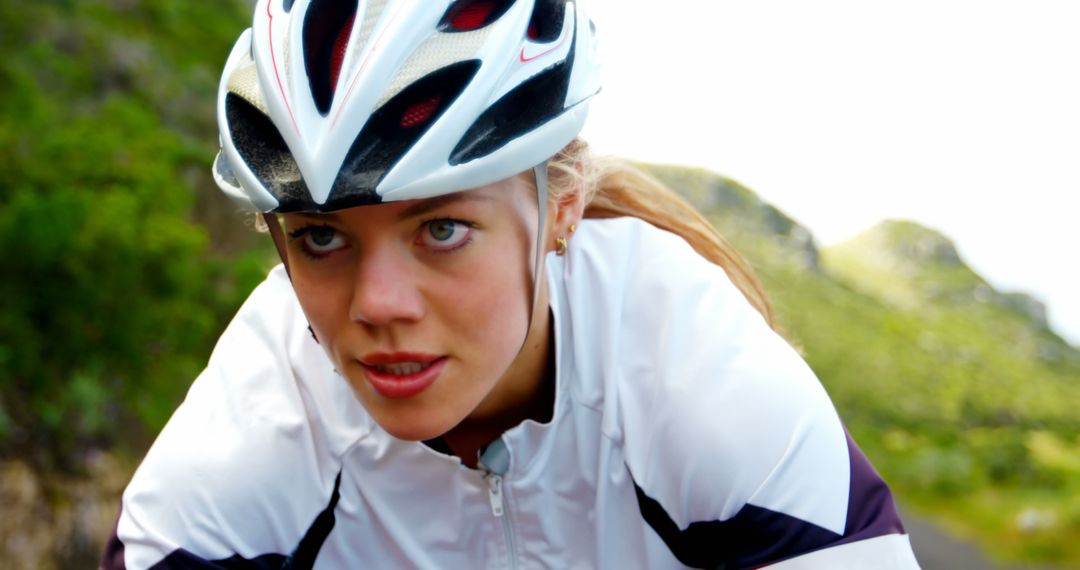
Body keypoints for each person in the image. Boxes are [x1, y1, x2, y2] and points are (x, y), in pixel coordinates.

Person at [102, 1, 921, 568]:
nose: (377, 304)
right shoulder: (257, 426)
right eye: (322, 238)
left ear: (560, 207)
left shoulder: (696, 374)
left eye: (442, 229)